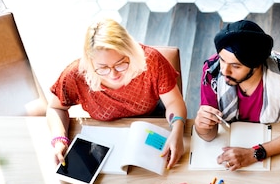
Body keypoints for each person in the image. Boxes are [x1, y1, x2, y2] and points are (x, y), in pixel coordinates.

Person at [47, 18, 186, 169]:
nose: (113, 74)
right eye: (103, 68)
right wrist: (59, 139)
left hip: (151, 122)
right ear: (90, 62)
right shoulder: (76, 74)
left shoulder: (151, 60)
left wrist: (178, 130)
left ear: (131, 52)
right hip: (105, 138)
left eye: (121, 64)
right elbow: (55, 108)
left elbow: (173, 102)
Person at [194, 19, 280, 171]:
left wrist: (254, 153)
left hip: (276, 151)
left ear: (257, 65)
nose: (224, 71)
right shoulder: (212, 72)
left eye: (236, 66)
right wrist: (201, 126)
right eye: (222, 60)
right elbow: (209, 136)